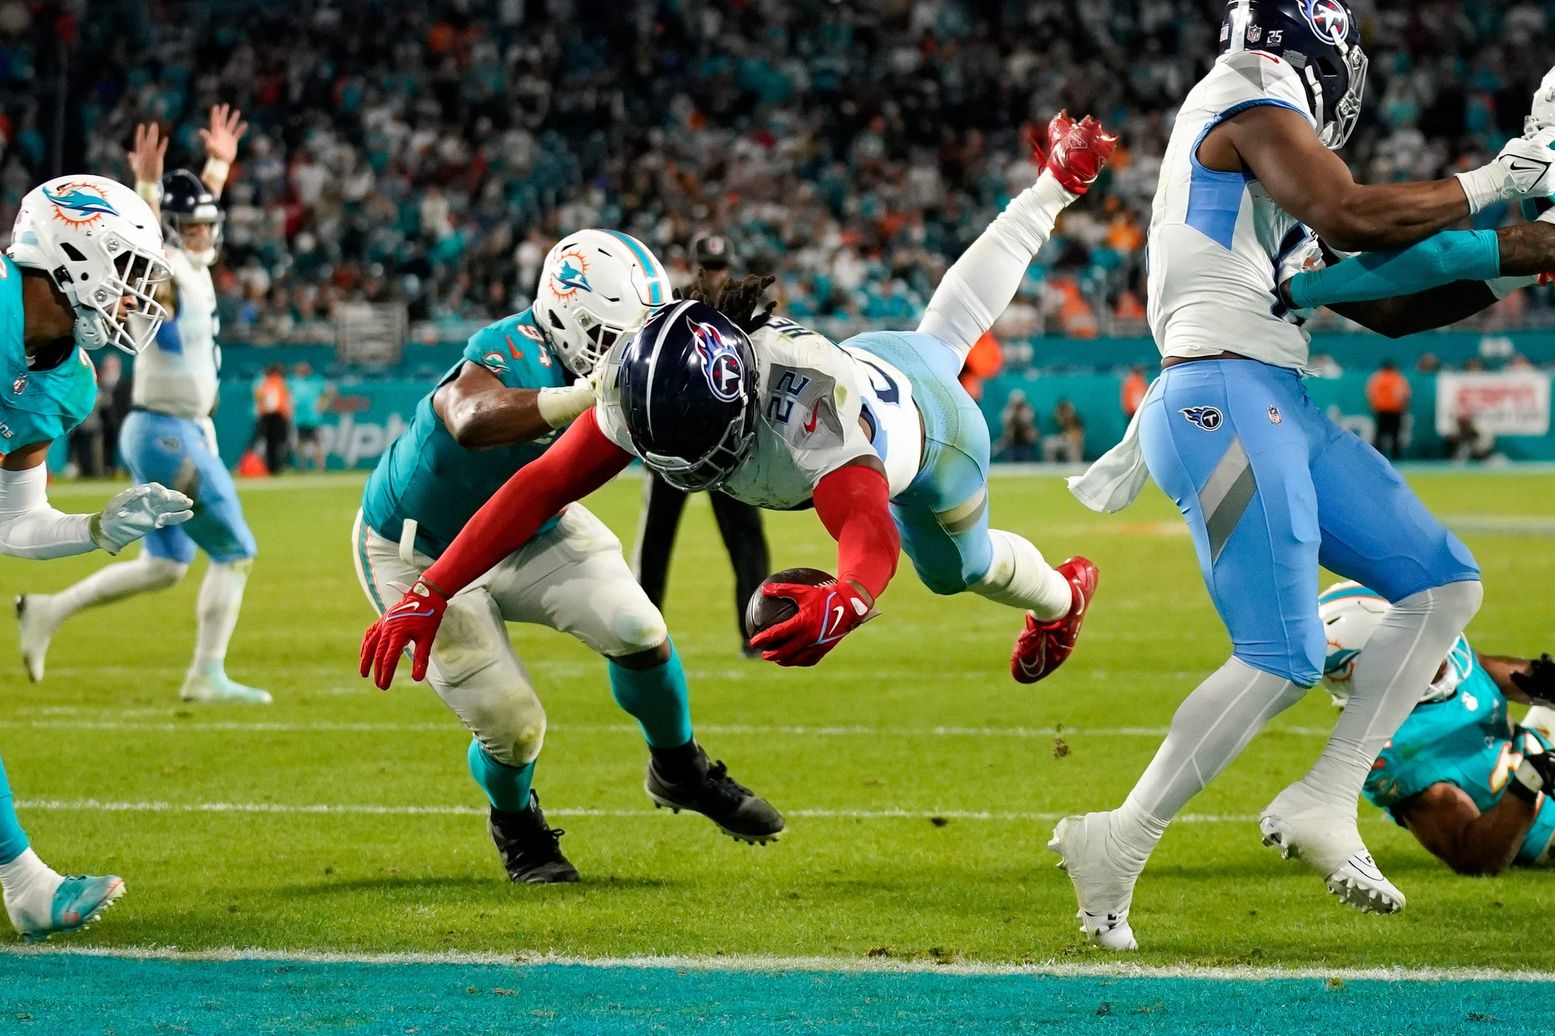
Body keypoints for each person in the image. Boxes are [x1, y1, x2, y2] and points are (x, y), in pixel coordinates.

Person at [1056, 0, 1555, 949]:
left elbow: (1388, 301)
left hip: (1268, 394)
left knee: (1442, 584)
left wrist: (1523, 252)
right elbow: (1353, 213)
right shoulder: (1250, 94)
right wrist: (1503, 179)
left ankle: (1325, 796)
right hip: (1218, 395)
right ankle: (1117, 841)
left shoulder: (1268, 175)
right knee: (1279, 654)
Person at [359, 111, 1117, 696]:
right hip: (883, 355)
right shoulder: (644, 375)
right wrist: (432, 589)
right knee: (943, 330)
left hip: (933, 441)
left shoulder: (802, 412)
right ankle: (1054, 181)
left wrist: (848, 599)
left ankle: (1060, 598)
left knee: (958, 569)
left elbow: (864, 521)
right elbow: (537, 486)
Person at [353, 228, 782, 883]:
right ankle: (515, 822)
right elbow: (470, 417)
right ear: (567, 317)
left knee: (639, 628)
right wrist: (583, 395)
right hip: (418, 550)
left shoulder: (619, 353)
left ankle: (678, 767)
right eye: (618, 341)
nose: (627, 357)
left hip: (530, 527)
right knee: (513, 723)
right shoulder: (511, 344)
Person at [18, 107, 272, 705]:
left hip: (166, 429)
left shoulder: (192, 259)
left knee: (166, 566)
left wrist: (219, 163)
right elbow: (138, 249)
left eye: (209, 226)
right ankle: (206, 674)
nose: (204, 235)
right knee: (237, 553)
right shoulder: (170, 272)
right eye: (194, 229)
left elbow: (193, 215)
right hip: (167, 430)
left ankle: (48, 611)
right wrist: (149, 188)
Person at [2, 172, 193, 938]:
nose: (130, 299)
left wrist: (91, 529)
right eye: (127, 274)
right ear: (74, 255)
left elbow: (12, 519)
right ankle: (24, 884)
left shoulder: (67, 386)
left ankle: (24, 883)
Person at [1319, 581, 1555, 876]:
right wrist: (1527, 783)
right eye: (1412, 640)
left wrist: (1543, 681)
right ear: (1376, 667)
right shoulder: (1392, 752)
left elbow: (1509, 677)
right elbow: (1473, 857)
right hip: (1539, 825)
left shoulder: (1446, 661)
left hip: (1536, 752)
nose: (1433, 641)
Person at [632, 233, 771, 656]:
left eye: (720, 268)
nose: (714, 276)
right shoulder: (672, 309)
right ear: (694, 266)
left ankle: (756, 633)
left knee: (746, 542)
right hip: (673, 444)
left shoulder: (744, 310)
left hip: (729, 447)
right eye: (708, 268)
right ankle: (641, 635)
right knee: (656, 543)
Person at [290, 361, 333, 472]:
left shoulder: (316, 381)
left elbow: (330, 390)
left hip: (313, 418)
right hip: (299, 418)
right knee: (301, 444)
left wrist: (323, 404)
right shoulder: (293, 381)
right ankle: (302, 468)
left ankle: (320, 467)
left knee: (317, 443)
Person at [1365, 359, 1410, 459]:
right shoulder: (1398, 378)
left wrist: (1374, 406)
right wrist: (1404, 407)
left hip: (1382, 410)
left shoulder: (1377, 378)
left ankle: (1376, 456)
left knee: (1380, 434)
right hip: (1395, 410)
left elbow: (1371, 394)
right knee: (1395, 434)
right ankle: (1396, 456)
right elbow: (1405, 395)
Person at [253, 362, 292, 473]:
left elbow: (259, 398)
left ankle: (270, 467)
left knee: (269, 444)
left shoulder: (264, 383)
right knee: (279, 443)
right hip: (279, 416)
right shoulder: (282, 383)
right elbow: (287, 401)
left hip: (267, 416)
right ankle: (277, 466)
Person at [997, 390, 1037, 463]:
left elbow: (1027, 423)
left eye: (1019, 404)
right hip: (1011, 443)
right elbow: (1006, 424)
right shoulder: (1007, 411)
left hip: (1025, 443)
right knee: (1002, 446)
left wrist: (1019, 416)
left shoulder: (1028, 410)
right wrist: (1014, 415)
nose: (1017, 406)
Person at [1040, 399, 1085, 463]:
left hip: (1072, 444)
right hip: (1063, 441)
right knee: (1048, 443)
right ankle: (1050, 467)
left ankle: (1074, 467)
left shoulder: (1077, 421)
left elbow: (1076, 438)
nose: (1065, 413)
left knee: (1073, 448)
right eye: (1063, 411)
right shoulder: (1060, 419)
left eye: (1067, 411)